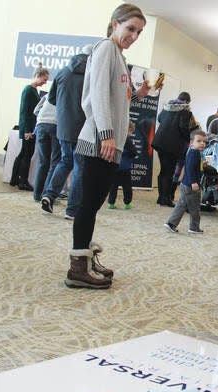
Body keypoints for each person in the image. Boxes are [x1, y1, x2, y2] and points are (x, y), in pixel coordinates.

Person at [65, 3, 150, 290]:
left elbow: (116, 102)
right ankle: (78, 268)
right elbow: (98, 97)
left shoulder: (118, 56)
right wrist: (106, 135)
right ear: (115, 24)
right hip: (99, 143)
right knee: (87, 206)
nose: (134, 35)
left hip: (110, 143)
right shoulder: (104, 49)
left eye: (138, 32)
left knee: (93, 205)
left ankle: (86, 259)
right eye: (130, 29)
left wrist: (138, 95)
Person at [40, 48, 90, 217]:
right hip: (84, 128)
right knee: (79, 168)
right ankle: (72, 210)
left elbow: (52, 99)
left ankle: (49, 194)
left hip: (63, 127)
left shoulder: (62, 73)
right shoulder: (92, 74)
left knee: (65, 161)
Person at [151, 91, 196, 207]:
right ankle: (165, 198)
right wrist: (189, 138)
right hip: (172, 145)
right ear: (187, 101)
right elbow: (183, 127)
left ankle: (161, 197)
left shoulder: (167, 106)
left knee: (163, 170)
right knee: (169, 172)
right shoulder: (185, 111)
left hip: (160, 142)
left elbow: (160, 118)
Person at [11, 64, 49, 191]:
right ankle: (23, 181)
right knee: (27, 155)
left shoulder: (33, 91)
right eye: (44, 79)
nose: (45, 82)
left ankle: (14, 178)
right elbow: (25, 112)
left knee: (23, 153)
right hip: (28, 128)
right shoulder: (28, 90)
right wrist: (27, 130)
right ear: (38, 76)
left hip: (30, 128)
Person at [164, 129, 206, 234]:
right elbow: (190, 168)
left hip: (186, 184)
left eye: (204, 141)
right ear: (192, 142)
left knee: (182, 204)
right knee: (195, 207)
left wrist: (203, 165)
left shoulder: (193, 152)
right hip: (191, 185)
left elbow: (194, 167)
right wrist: (194, 182)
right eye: (199, 141)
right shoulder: (194, 153)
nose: (202, 143)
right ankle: (194, 227)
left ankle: (171, 223)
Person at [32, 95, 59, 202]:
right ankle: (47, 195)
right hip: (56, 125)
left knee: (43, 162)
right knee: (55, 162)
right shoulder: (66, 93)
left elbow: (36, 110)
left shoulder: (47, 95)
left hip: (41, 125)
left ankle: (37, 194)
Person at [107, 135, 137, 210]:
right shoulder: (128, 140)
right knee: (127, 186)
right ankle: (127, 203)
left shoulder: (113, 138)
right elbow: (134, 153)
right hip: (125, 167)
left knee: (113, 186)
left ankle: (111, 203)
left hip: (114, 166)